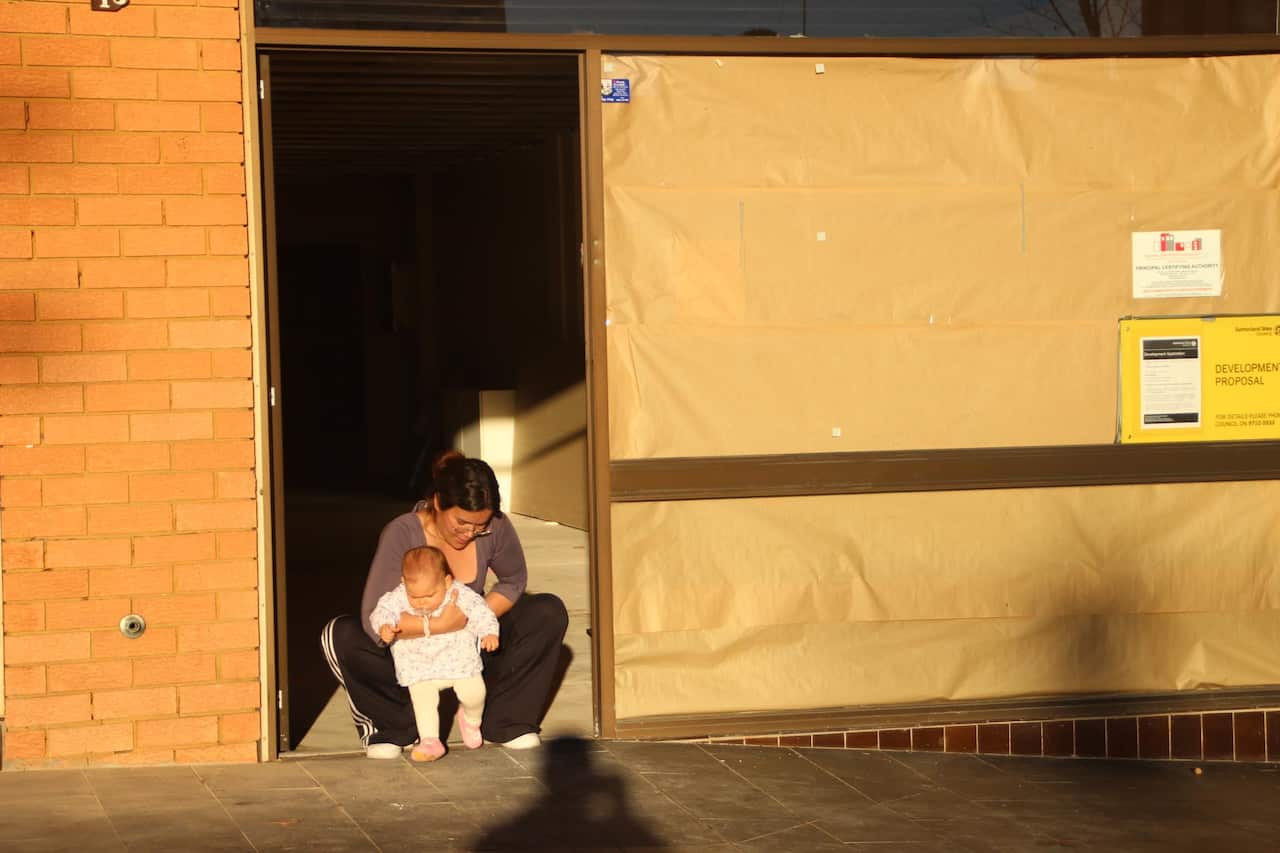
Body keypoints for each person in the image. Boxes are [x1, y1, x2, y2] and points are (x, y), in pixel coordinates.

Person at [322, 450, 570, 759]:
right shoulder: (402, 532)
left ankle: (507, 722)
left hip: (467, 649)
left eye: (480, 527)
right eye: (462, 523)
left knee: (546, 611)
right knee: (342, 634)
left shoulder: (495, 526)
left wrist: (473, 620)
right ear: (438, 503)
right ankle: (395, 729)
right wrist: (437, 626)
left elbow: (513, 580)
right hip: (411, 653)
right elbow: (374, 613)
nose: (470, 533)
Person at [370, 545, 499, 762]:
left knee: (474, 693)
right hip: (418, 663)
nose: (422, 602)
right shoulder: (398, 597)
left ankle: (471, 719)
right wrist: (384, 626)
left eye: (430, 595)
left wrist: (489, 632)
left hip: (459, 659)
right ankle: (430, 740)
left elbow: (481, 611)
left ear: (447, 582)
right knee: (424, 702)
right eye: (415, 596)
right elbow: (382, 611)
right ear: (404, 583)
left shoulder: (458, 594)